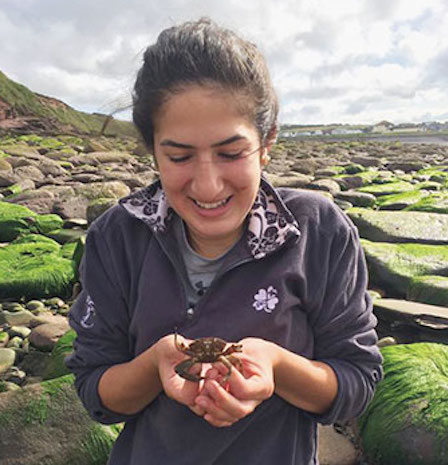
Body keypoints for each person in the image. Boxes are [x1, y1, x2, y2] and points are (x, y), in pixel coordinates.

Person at [65, 18, 383, 465]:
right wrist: (155, 365)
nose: (208, 186)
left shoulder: (318, 232)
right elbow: (93, 389)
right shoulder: (118, 237)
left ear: (266, 143)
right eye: (178, 156)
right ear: (152, 149)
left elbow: (358, 380)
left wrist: (277, 366)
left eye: (231, 153)